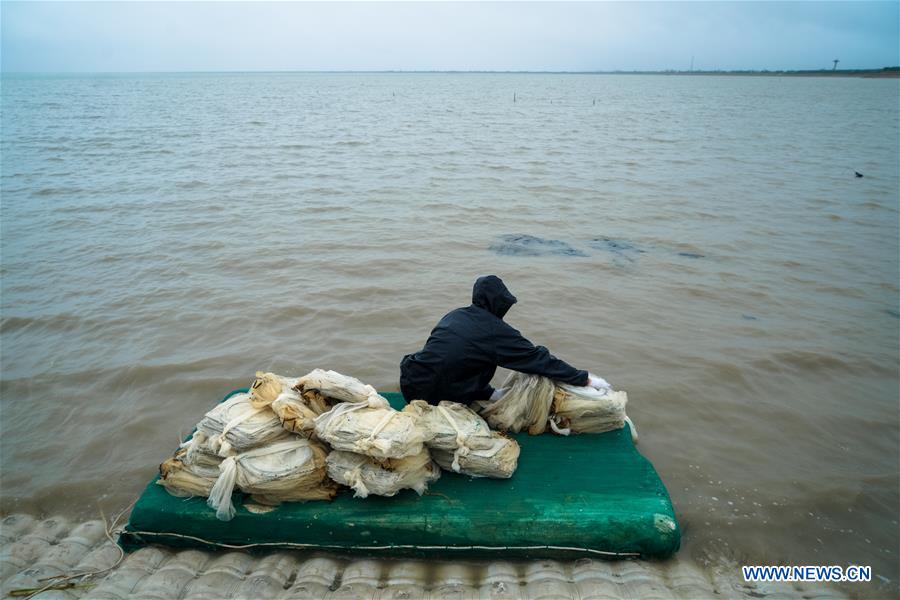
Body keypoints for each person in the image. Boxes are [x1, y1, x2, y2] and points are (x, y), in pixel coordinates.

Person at [400, 275, 609, 405]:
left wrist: (490, 393)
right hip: (435, 397)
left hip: (411, 382)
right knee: (479, 358)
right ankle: (480, 394)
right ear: (498, 303)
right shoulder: (494, 331)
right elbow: (538, 359)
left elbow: (449, 358)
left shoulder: (455, 315)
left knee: (463, 355)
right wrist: (584, 379)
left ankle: (487, 393)